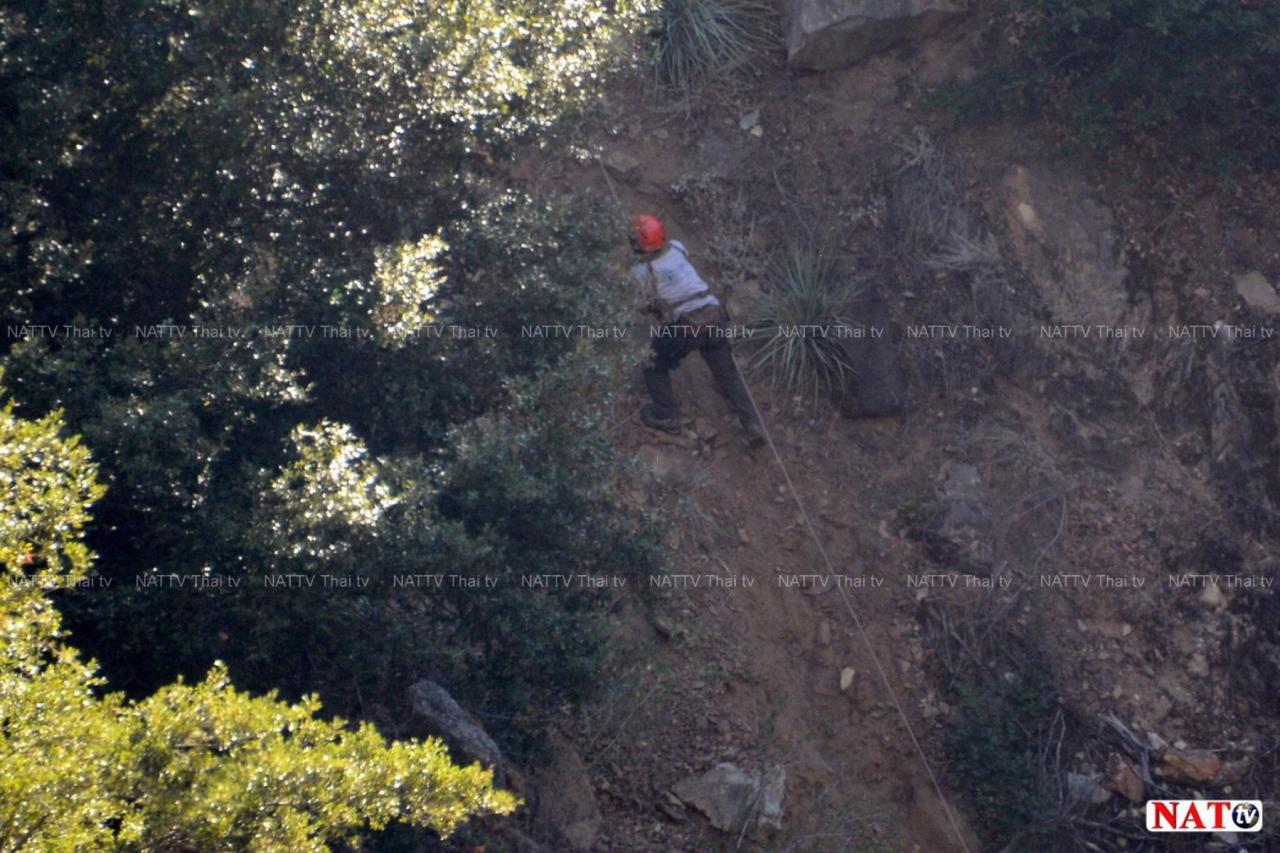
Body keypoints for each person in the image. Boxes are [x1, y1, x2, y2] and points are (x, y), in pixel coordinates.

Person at [629, 214, 765, 447]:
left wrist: (652, 307)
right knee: (727, 372)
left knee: (652, 362)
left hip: (687, 326)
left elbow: (645, 304)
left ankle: (666, 413)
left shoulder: (642, 270)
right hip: (714, 315)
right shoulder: (677, 247)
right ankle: (751, 423)